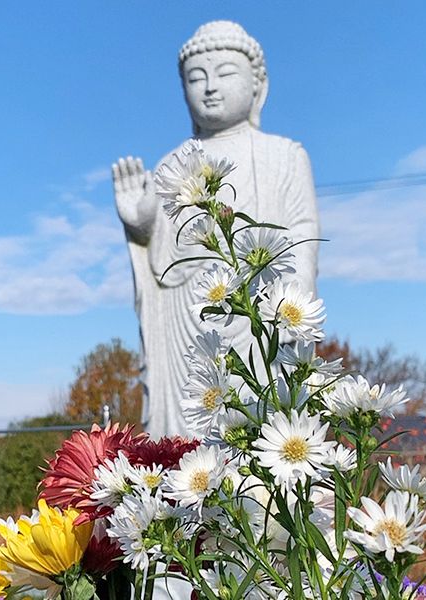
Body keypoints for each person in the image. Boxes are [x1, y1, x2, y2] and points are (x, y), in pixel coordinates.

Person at [112, 20, 319, 438]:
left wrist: (289, 299)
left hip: (259, 315)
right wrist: (142, 226)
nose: (209, 87)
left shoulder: (284, 155)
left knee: (267, 435)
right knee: (191, 440)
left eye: (225, 73)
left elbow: (302, 232)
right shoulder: (172, 163)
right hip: (189, 320)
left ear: (258, 85)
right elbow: (165, 267)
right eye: (195, 77)